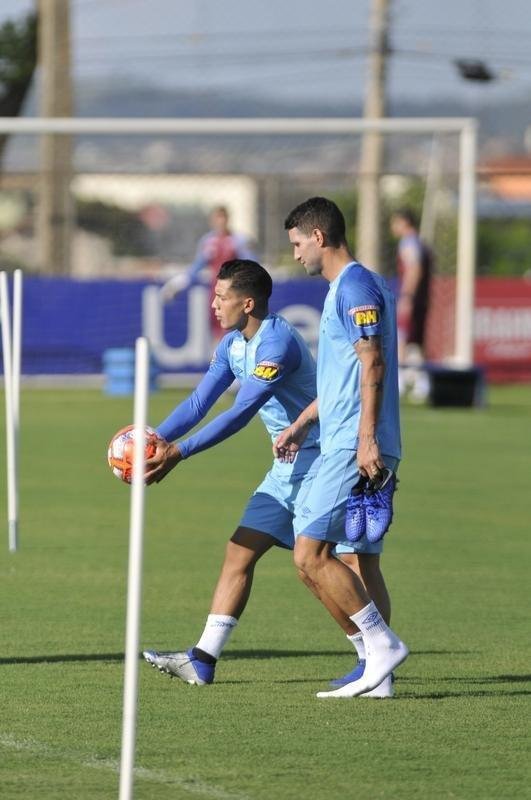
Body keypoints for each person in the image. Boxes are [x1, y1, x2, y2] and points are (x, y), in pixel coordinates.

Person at [142, 258, 382, 694]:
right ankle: (203, 660)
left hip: (323, 460)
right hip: (286, 467)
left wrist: (181, 452)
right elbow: (199, 403)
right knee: (240, 551)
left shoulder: (277, 343)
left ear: (247, 302)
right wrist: (154, 439)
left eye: (221, 296)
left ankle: (373, 658)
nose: (213, 304)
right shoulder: (233, 344)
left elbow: (240, 412)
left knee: (325, 566)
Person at [275, 197, 408, 698]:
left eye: (296, 243)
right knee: (358, 560)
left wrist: (366, 439)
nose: (295, 254)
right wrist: (305, 421)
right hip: (351, 437)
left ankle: (380, 647)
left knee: (309, 554)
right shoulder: (347, 288)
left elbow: (372, 363)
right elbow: (344, 377)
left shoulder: (354, 285)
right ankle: (379, 675)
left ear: (319, 236)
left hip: (356, 445)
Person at [162, 206, 256, 340]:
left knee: (235, 330)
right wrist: (179, 283)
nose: (220, 222)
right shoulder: (208, 241)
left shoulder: (238, 241)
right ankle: (219, 358)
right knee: (217, 330)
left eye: (223, 218)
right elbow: (197, 267)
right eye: (217, 218)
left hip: (235, 292)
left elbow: (252, 264)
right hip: (215, 292)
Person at [389, 208, 433, 401]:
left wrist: (407, 296)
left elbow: (414, 269)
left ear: (404, 222)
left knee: (402, 339)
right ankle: (420, 385)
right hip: (421, 299)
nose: (393, 227)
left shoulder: (408, 243)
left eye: (395, 222)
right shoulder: (419, 243)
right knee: (414, 341)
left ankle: (401, 382)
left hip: (412, 299)